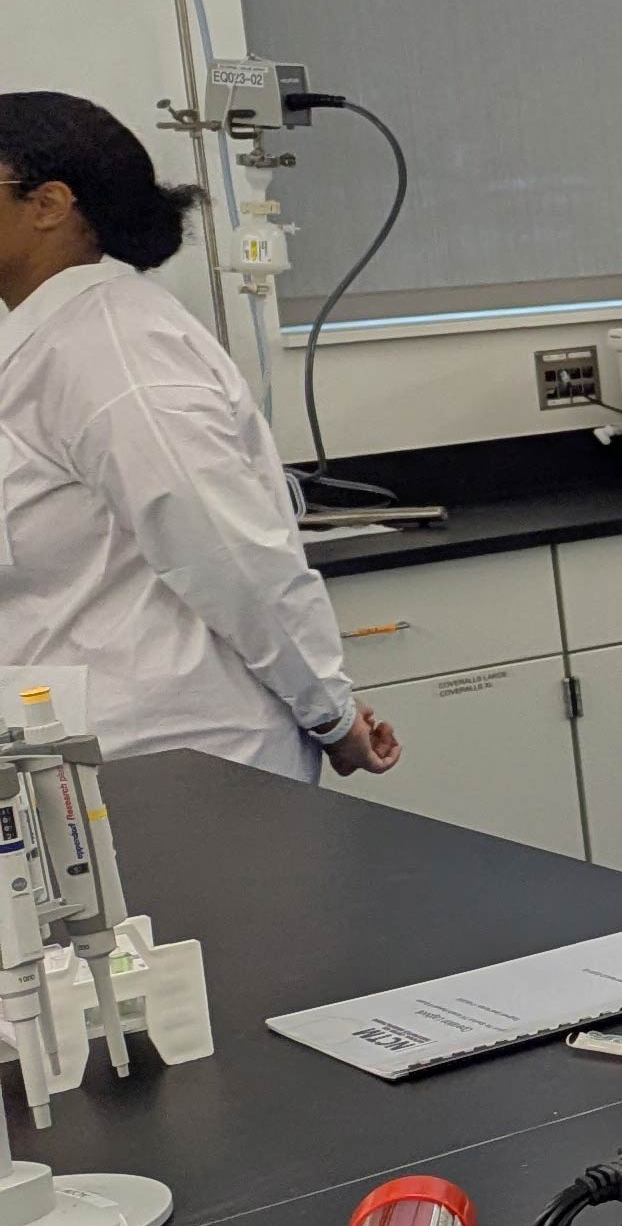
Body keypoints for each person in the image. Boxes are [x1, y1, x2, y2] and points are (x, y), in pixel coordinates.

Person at [0, 93, 396, 781]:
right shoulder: (50, 345)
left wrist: (330, 713)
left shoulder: (114, 350)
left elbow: (231, 555)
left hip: (182, 761)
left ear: (48, 204)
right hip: (98, 754)